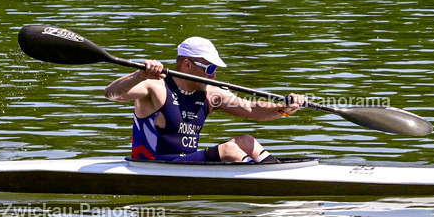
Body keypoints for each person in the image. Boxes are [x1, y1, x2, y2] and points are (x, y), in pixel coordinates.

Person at [105, 36, 304, 163]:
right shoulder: (155, 87)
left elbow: (251, 108)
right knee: (229, 150)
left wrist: (282, 109)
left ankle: (275, 174)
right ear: (187, 65)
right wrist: (139, 75)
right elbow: (112, 94)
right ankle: (264, 180)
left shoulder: (211, 94)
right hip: (155, 165)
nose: (214, 76)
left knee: (247, 141)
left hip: (188, 165)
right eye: (210, 69)